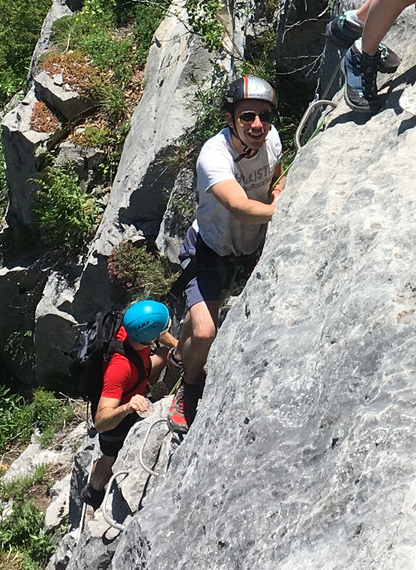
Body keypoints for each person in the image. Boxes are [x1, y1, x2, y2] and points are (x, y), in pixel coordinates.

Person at [172, 75, 286, 429]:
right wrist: (286, 211)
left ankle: (180, 350)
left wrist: (280, 193)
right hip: (210, 248)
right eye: (247, 116)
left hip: (251, 245)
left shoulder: (272, 141)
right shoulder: (214, 156)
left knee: (198, 324)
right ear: (229, 119)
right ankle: (188, 385)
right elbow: (237, 205)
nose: (257, 125)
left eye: (264, 117)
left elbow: (276, 177)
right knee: (205, 331)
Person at [79, 298, 175, 515]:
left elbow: (157, 333)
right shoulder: (119, 369)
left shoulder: (130, 327)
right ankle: (92, 493)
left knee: (167, 356)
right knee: (109, 458)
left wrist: (180, 347)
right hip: (118, 417)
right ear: (147, 337)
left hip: (137, 378)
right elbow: (101, 423)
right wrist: (128, 407)